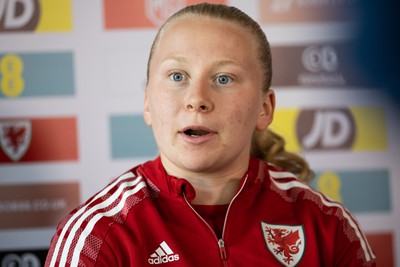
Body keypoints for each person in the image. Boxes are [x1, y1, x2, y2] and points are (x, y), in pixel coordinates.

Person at [45, 3, 376, 266]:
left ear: (264, 109)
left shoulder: (328, 225)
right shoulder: (98, 236)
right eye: (177, 76)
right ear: (147, 102)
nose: (197, 99)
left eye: (224, 79)